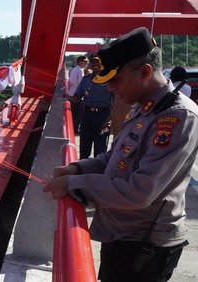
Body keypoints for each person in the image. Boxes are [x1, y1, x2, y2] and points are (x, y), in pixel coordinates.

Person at [43, 27, 198, 281]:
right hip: (121, 234)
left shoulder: (176, 117)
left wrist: (74, 184)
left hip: (144, 246)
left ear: (145, 72)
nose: (112, 89)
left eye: (115, 80)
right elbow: (115, 157)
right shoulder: (143, 107)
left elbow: (140, 191)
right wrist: (78, 168)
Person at [71, 56, 113, 159]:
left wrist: (110, 120)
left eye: (98, 62)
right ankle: (82, 170)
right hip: (87, 114)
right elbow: (77, 96)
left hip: (103, 115)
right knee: (84, 145)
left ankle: (96, 172)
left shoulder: (110, 80)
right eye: (92, 62)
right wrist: (64, 101)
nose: (95, 64)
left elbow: (116, 101)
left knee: (100, 148)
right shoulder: (86, 79)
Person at [68, 56, 89, 132]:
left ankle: (72, 127)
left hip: (71, 94)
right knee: (78, 114)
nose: (87, 63)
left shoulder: (73, 69)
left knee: (73, 113)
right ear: (80, 62)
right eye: (85, 62)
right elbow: (81, 84)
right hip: (77, 96)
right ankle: (75, 128)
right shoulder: (80, 70)